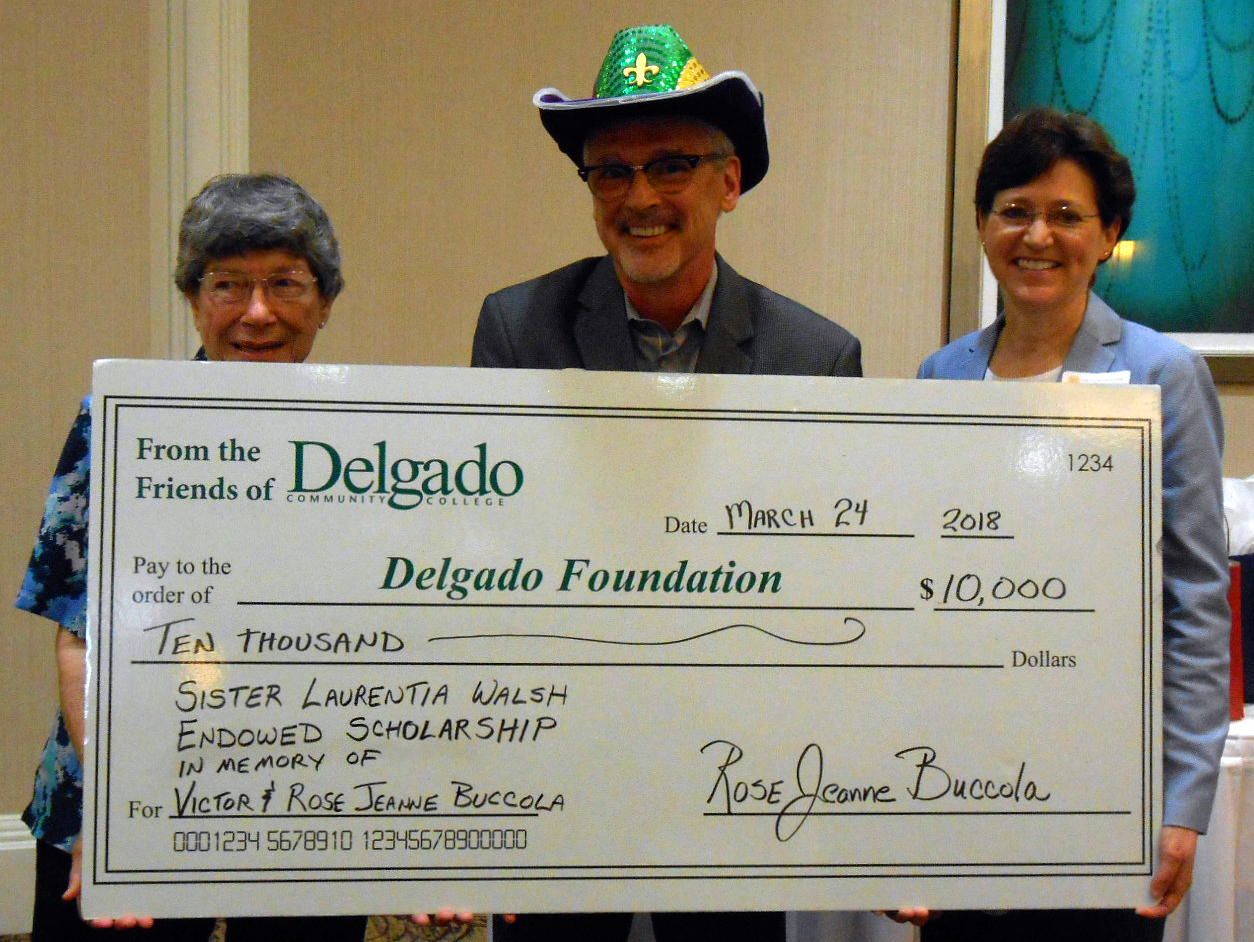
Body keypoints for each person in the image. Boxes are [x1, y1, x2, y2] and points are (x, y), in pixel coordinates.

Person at [473, 24, 861, 942]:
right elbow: (491, 539)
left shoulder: (815, 356)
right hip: (558, 762)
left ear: (729, 183)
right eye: (611, 171)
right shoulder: (520, 327)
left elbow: (824, 579)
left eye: (671, 165)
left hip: (735, 768)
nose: (639, 198)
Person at [16, 173, 469, 940]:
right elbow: (78, 632)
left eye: (285, 283)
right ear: (194, 298)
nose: (257, 313)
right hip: (129, 782)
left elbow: (407, 646)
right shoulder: (122, 424)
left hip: (315, 793)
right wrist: (113, 811)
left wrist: (417, 833)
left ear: (325, 300)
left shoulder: (384, 440)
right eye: (227, 284)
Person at [891, 108, 1230, 941]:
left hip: (1106, 793)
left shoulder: (1163, 374)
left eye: (1067, 215)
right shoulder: (942, 377)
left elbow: (1196, 599)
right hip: (958, 786)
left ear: (1109, 234)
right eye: (1014, 210)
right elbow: (917, 597)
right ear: (981, 224)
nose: (1037, 235)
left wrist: (1182, 802)